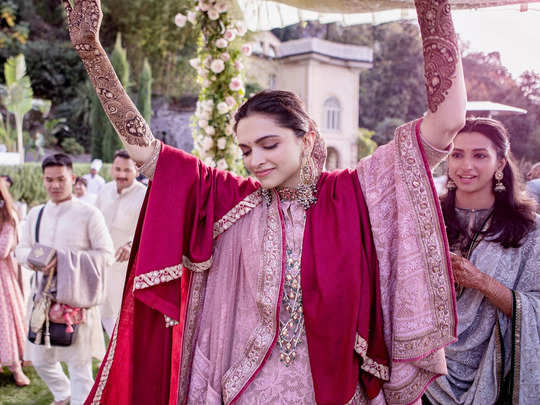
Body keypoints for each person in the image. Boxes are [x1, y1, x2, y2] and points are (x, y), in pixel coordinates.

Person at [65, 0, 466, 403]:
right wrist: (91, 50)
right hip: (248, 388)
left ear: (306, 137)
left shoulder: (356, 191)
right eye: (245, 149)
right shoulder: (236, 201)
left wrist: (433, 8)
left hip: (336, 389)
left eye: (268, 144)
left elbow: (447, 121)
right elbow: (148, 153)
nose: (255, 160)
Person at [424, 117, 539, 404]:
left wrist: (482, 282)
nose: (466, 166)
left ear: (500, 163)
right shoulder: (425, 220)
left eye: (480, 155)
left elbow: (537, 306)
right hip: (423, 374)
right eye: (457, 154)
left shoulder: (529, 231)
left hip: (496, 376)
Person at [15, 153, 114, 405]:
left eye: (61, 179)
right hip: (42, 300)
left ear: (72, 178)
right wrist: (36, 259)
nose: (55, 185)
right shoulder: (36, 214)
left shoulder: (89, 214)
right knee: (39, 359)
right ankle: (63, 394)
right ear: (42, 180)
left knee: (79, 366)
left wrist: (64, 261)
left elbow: (106, 254)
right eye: (49, 180)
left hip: (76, 301)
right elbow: (20, 249)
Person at [95, 149, 146, 337]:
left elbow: (148, 228)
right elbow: (94, 221)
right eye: (118, 169)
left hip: (126, 267)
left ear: (137, 171)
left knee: (124, 314)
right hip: (101, 264)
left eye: (127, 170)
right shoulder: (105, 190)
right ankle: (114, 355)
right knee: (102, 312)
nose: (121, 175)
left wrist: (130, 244)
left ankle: (126, 357)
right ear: (111, 169)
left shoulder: (144, 195)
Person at [0, 178, 30, 387]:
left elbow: (3, 250)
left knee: (6, 320)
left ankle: (16, 367)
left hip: (2, 277)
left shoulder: (8, 216)